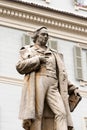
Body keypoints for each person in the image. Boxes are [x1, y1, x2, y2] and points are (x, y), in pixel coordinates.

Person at [16, 27, 80, 130]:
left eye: (47, 35)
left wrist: (73, 88)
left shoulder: (54, 54)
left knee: (61, 112)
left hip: (53, 84)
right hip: (38, 81)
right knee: (38, 112)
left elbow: (62, 76)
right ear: (36, 36)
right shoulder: (29, 50)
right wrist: (37, 59)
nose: (46, 37)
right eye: (43, 34)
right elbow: (20, 66)